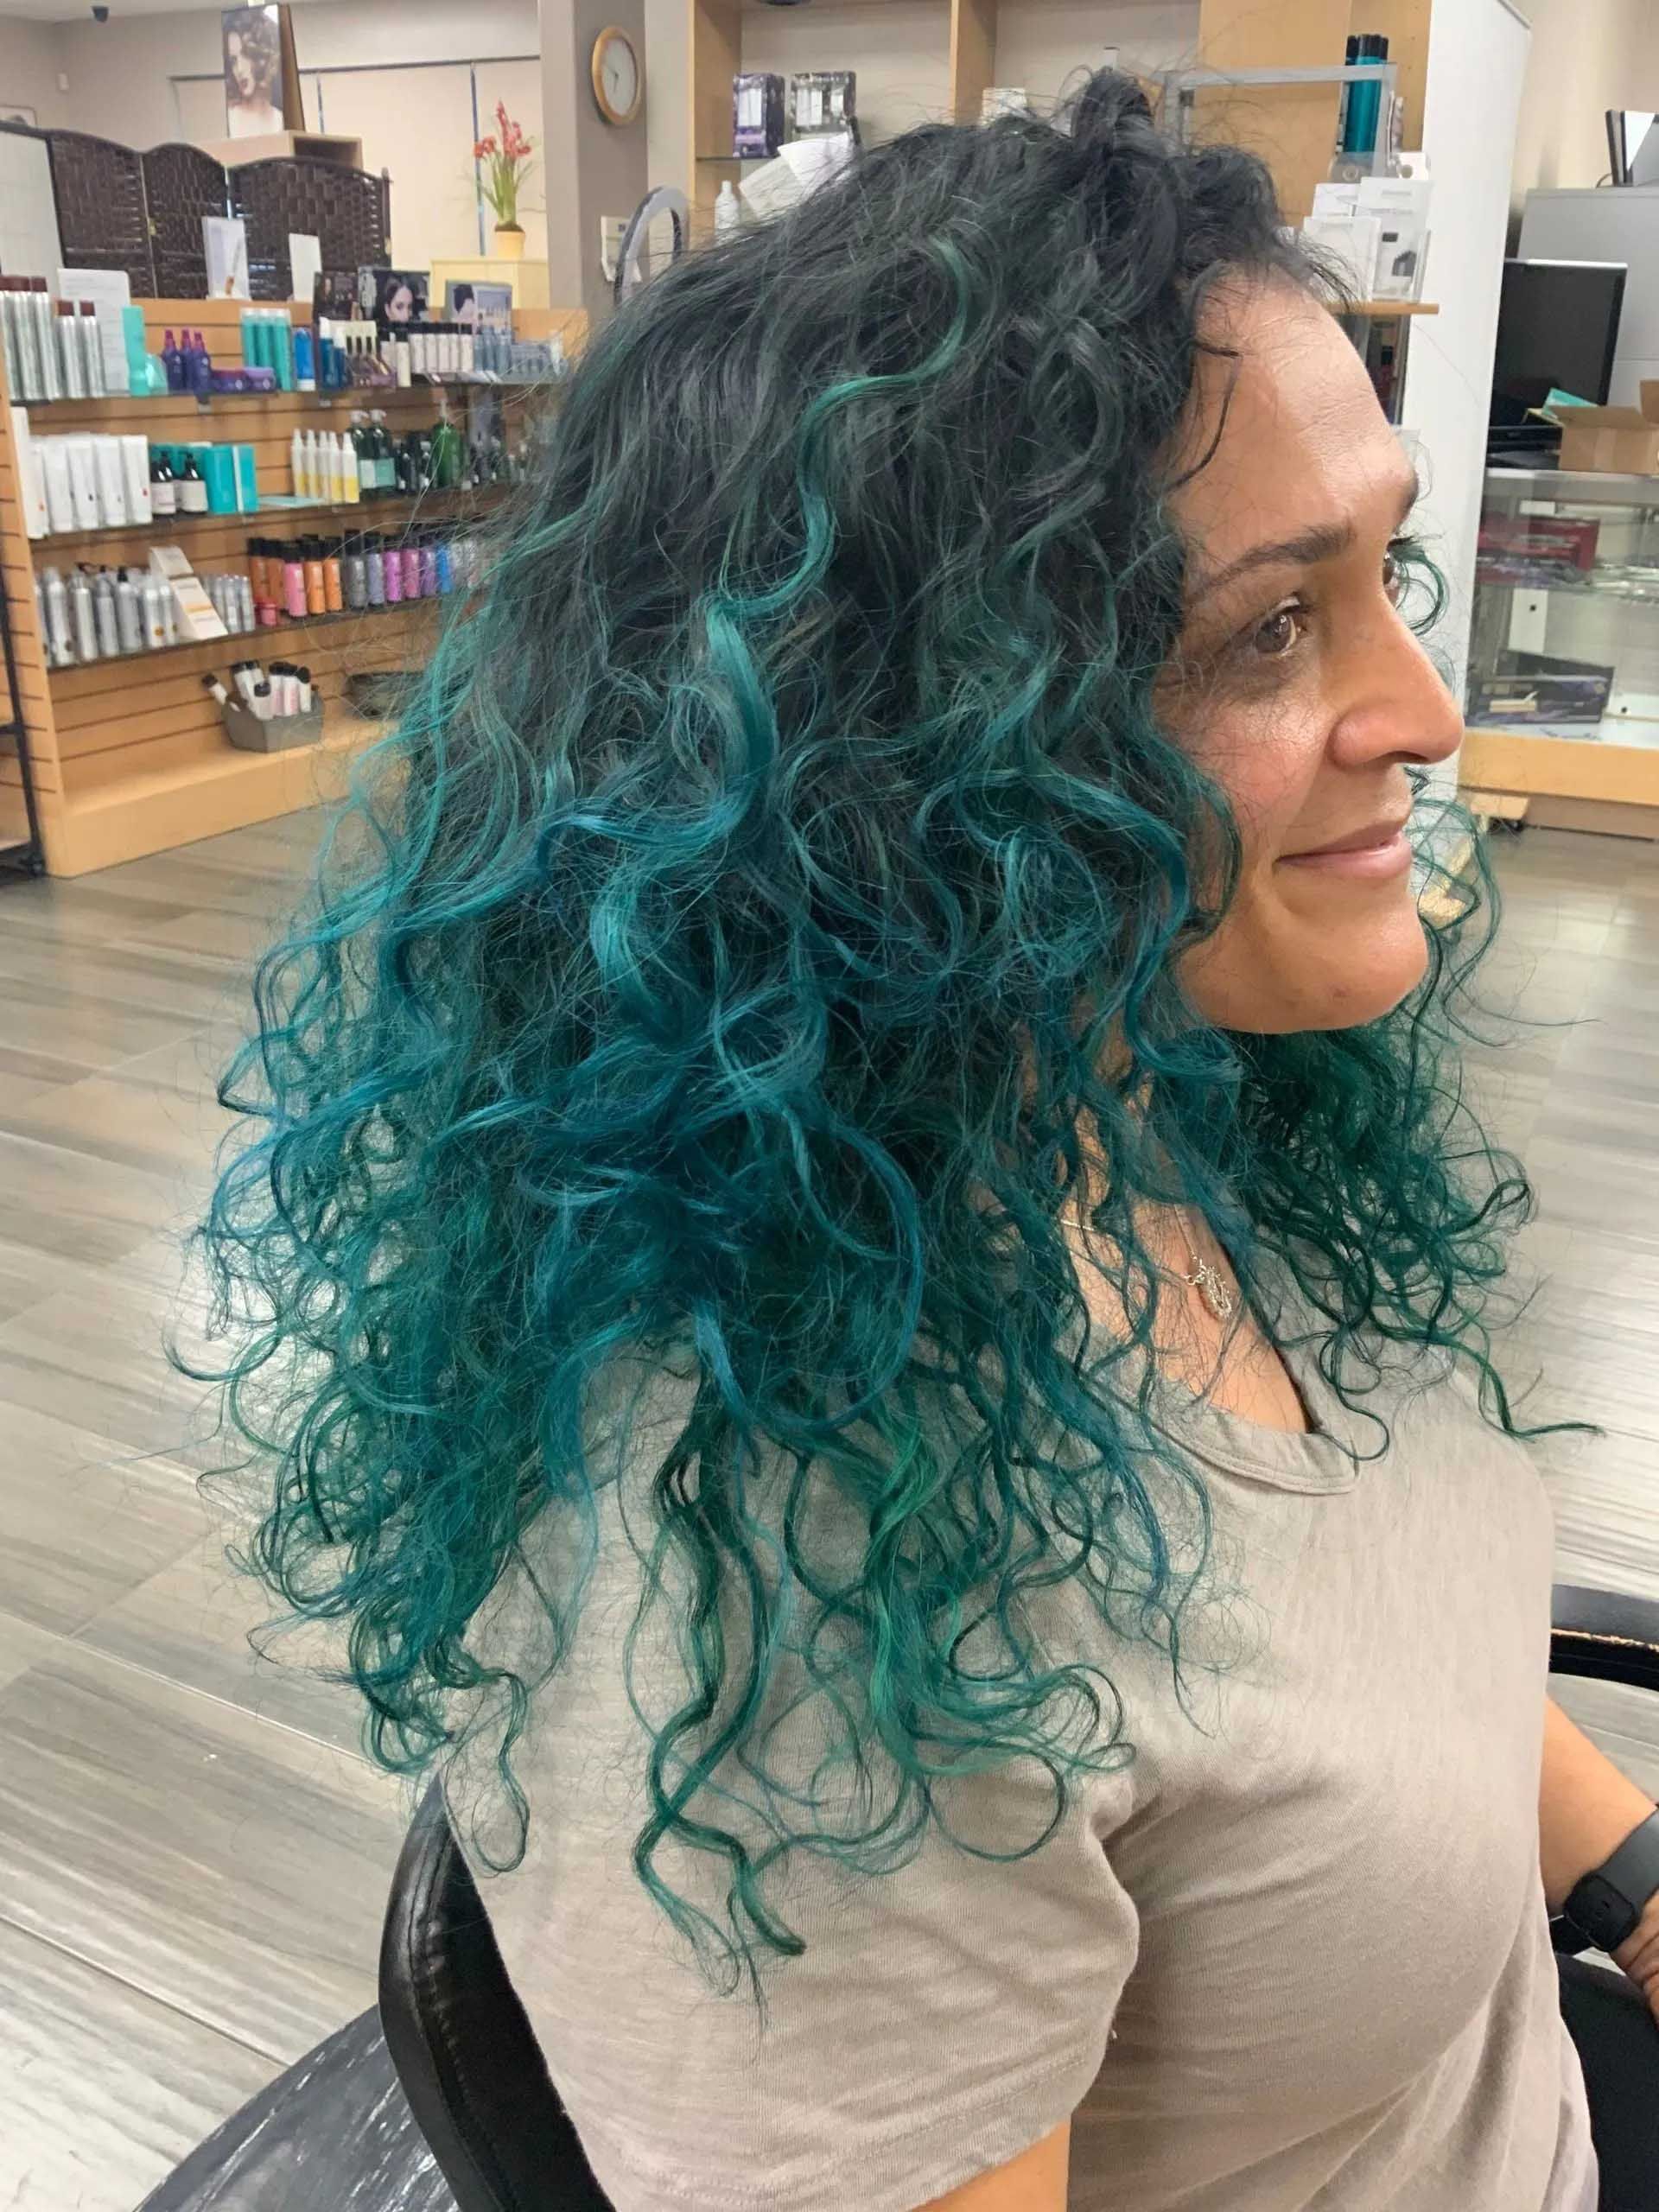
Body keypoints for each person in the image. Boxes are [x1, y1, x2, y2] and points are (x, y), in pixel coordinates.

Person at [195, 73, 1659, 2212]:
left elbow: (1337, 1612)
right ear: (909, 751)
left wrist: (1621, 1869)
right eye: (1271, 625)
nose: (1428, 710)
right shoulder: (780, 1588)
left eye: (1382, 572)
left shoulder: (1147, 1077)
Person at [223, 6, 283, 139]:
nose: (239, 69)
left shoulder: (280, 120)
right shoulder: (230, 118)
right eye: (233, 61)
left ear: (260, 56)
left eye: (245, 54)